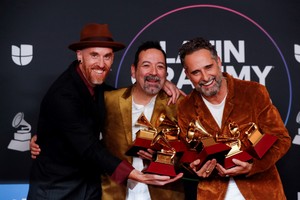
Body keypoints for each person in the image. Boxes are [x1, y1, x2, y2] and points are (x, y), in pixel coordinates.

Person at [27, 23, 182, 200]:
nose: (101, 64)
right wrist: (135, 174)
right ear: (80, 55)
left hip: (92, 186)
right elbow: (89, 148)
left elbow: (129, 92)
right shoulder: (63, 95)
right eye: (94, 55)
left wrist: (160, 82)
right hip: (57, 188)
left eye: (107, 56)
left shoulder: (100, 90)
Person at [177, 37, 291, 199]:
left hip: (263, 193)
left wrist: (252, 166)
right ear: (187, 74)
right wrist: (193, 168)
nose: (205, 77)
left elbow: (281, 139)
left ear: (218, 61)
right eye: (196, 72)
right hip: (212, 194)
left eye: (208, 67)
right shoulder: (185, 107)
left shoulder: (253, 92)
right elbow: (185, 154)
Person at [101, 41, 184, 200]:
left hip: (165, 195)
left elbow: (193, 157)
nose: (154, 72)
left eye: (160, 67)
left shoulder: (179, 105)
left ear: (166, 73)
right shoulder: (109, 100)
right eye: (146, 65)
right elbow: (82, 136)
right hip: (116, 194)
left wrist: (163, 157)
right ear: (133, 70)